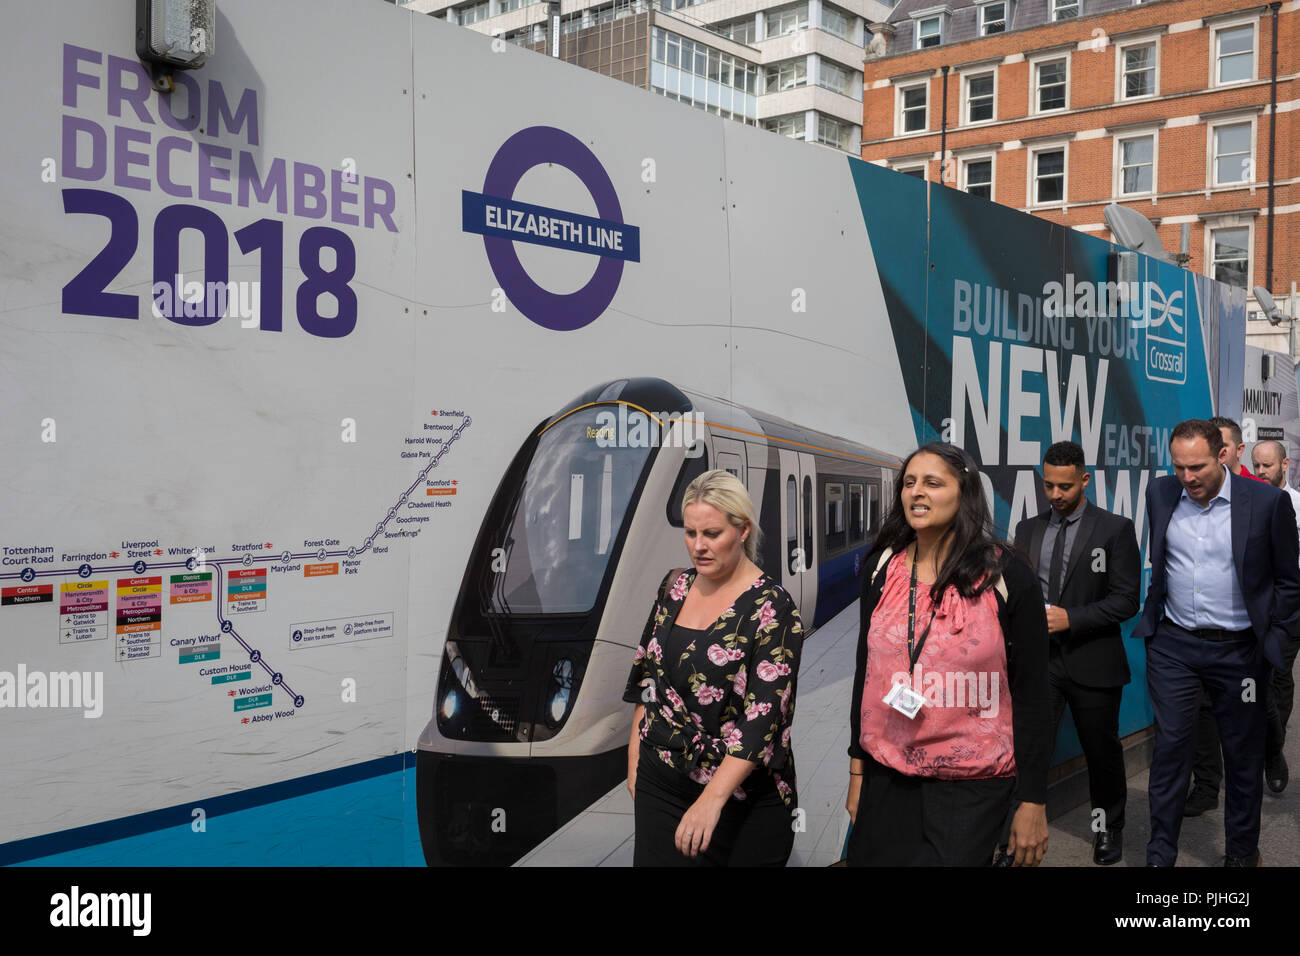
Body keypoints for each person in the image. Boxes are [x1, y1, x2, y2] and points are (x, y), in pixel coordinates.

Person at [846, 442, 1051, 866]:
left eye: (933, 483)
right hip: (887, 777)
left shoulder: (1007, 573)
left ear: (965, 493)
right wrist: (857, 771)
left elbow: (1032, 694)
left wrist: (1033, 800)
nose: (916, 493)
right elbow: (865, 673)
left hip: (971, 788)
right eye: (909, 483)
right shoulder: (882, 568)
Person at [1134, 420, 1300, 866]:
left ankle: (1242, 856)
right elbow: (1161, 562)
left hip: (1241, 652)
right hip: (1175, 647)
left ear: (1223, 456)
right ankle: (1159, 855)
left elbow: (1288, 581)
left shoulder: (1267, 503)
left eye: (1198, 467)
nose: (1187, 477)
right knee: (1170, 750)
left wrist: (1277, 649)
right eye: (1179, 466)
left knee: (1243, 757)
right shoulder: (1160, 493)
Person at [623, 468, 802, 866]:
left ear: (742, 530)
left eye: (712, 534)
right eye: (690, 533)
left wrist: (712, 799)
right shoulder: (675, 589)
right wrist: (635, 764)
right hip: (662, 776)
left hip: (743, 795)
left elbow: (763, 720)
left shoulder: (773, 608)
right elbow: (648, 679)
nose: (698, 546)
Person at [1013, 441, 1139, 865]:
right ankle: (1016, 833)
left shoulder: (1114, 529)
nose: (1055, 494)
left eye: (1064, 486)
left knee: (1101, 755)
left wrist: (1073, 618)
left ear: (1084, 480)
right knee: (1030, 750)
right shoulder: (1027, 530)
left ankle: (1107, 830)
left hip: (1093, 660)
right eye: (1048, 485)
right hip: (1040, 663)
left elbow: (1127, 601)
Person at [1186, 417, 1275, 816]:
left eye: (1220, 447)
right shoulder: (1182, 497)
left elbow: (1283, 572)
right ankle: (1206, 784)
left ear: (1234, 451)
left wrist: (1275, 632)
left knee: (1257, 709)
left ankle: (1272, 753)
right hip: (1198, 639)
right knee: (1203, 710)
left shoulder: (1262, 497)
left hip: (1251, 637)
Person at [1250, 439, 1300, 793]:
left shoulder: (1298, 504)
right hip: (1260, 604)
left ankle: (1272, 750)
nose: (1261, 472)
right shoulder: (1248, 502)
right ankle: (1272, 748)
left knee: (1280, 676)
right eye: (1257, 465)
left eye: (1267, 465)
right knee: (1264, 679)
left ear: (1284, 465)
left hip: (1293, 604)